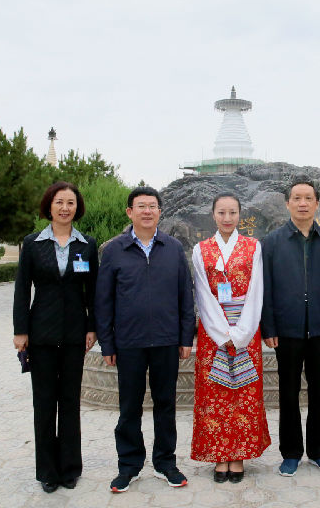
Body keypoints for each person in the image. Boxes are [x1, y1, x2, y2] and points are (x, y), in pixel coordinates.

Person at [94, 186, 195, 493]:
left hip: (166, 340)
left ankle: (166, 463)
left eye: (152, 206)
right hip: (129, 343)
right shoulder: (114, 250)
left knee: (166, 405)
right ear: (130, 212)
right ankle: (129, 465)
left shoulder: (173, 248)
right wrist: (107, 343)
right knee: (129, 407)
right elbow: (104, 301)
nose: (147, 211)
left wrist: (185, 337)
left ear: (159, 212)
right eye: (141, 206)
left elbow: (185, 295)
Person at [13, 181, 98, 493]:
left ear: (78, 207)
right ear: (49, 206)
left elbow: (94, 291)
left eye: (71, 203)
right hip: (42, 334)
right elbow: (22, 290)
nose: (65, 208)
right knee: (45, 404)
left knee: (70, 401)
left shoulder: (86, 244)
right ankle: (48, 472)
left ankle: (70, 468)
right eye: (60, 202)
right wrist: (20, 331)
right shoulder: (33, 243)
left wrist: (93, 327)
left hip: (76, 334)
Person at [261, 178, 320, 477]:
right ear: (287, 203)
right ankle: (291, 453)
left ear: (316, 204)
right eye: (296, 198)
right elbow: (266, 289)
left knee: (319, 392)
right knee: (287, 392)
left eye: (308, 198)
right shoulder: (272, 243)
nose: (302, 203)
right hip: (286, 331)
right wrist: (268, 327)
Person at [191, 192, 271, 483]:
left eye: (233, 213)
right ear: (213, 214)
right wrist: (221, 333)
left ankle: (238, 456)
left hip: (246, 331)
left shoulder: (253, 247)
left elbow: (256, 292)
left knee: (243, 394)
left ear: (240, 215)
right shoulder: (202, 249)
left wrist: (241, 333)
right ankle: (219, 455)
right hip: (214, 333)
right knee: (215, 395)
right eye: (221, 213)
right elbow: (202, 294)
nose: (227, 218)